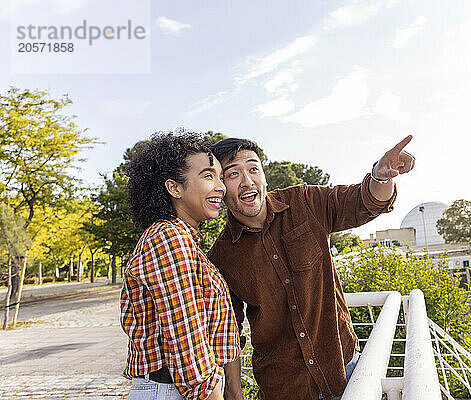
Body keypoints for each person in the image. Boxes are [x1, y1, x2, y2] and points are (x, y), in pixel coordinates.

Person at [208, 135, 415, 400]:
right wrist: (234, 395)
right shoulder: (221, 257)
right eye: (232, 174)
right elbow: (228, 332)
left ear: (264, 176)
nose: (247, 181)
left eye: (253, 169)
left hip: (345, 373)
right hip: (283, 390)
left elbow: (364, 202)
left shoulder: (304, 202)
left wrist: (381, 177)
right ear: (220, 186)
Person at [120, 132, 241, 400]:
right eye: (208, 176)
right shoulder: (168, 239)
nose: (221, 187)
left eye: (221, 177)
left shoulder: (186, 240)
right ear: (175, 188)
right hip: (172, 391)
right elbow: (188, 345)